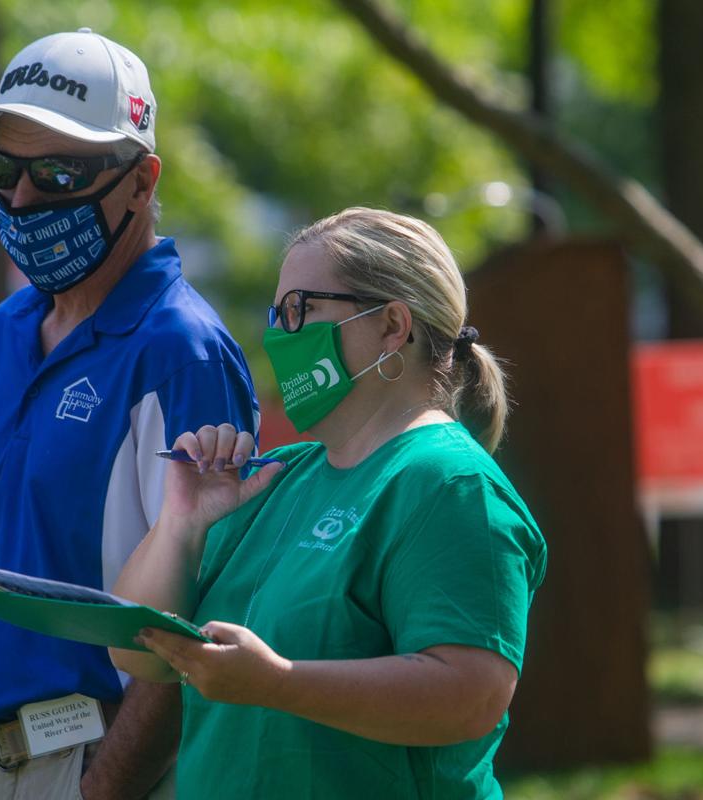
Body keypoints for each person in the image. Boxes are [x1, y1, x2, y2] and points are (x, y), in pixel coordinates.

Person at [111, 208, 547, 799]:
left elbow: (471, 695)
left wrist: (278, 683)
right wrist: (182, 523)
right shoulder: (279, 477)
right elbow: (138, 654)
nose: (279, 336)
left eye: (301, 311)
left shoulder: (449, 484)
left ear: (393, 325)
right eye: (277, 314)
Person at [0, 28, 259, 800]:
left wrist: (102, 790)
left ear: (142, 182)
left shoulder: (183, 351)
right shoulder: (7, 329)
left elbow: (202, 619)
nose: (20, 198)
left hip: (104, 766)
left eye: (55, 171)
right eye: (4, 169)